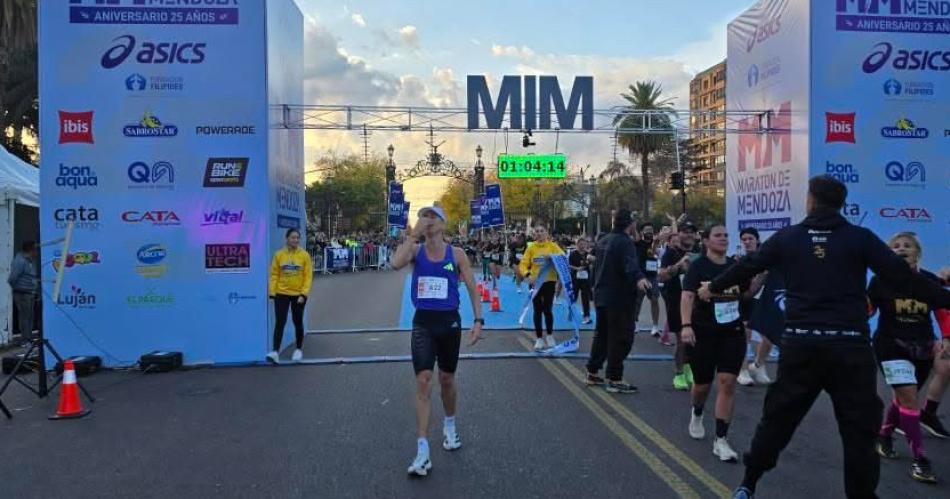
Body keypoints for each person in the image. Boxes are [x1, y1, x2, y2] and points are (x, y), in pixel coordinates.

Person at [699, 175, 950, 499]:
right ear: (841, 203)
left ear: (810, 200)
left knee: (778, 420)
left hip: (802, 348)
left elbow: (746, 266)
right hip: (849, 349)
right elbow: (909, 279)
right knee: (859, 432)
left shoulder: (788, 238)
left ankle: (749, 483)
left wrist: (712, 287)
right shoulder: (859, 238)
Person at [391, 205, 484, 477]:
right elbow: (396, 263)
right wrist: (412, 236)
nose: (427, 220)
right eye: (424, 216)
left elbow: (472, 288)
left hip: (449, 322)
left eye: (432, 216)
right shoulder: (416, 251)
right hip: (423, 322)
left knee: (446, 379)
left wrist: (478, 321)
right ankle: (422, 452)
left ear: (443, 224)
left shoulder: (456, 254)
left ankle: (450, 424)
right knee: (423, 379)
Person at [869, 232, 946, 484]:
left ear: (918, 253)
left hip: (922, 348)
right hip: (890, 346)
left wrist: (946, 337)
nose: (901, 249)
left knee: (904, 399)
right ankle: (920, 460)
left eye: (907, 245)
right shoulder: (881, 282)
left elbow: (942, 310)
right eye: (896, 246)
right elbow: (866, 310)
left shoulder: (929, 280)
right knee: (910, 399)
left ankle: (884, 434)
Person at [681, 224, 751, 463]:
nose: (723, 239)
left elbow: (746, 294)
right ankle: (697, 412)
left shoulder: (735, 266)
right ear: (707, 240)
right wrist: (686, 326)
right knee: (703, 385)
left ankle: (721, 440)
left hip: (732, 332)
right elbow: (688, 296)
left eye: (726, 235)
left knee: (727, 382)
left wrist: (762, 275)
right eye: (718, 235)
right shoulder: (698, 266)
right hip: (703, 332)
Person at [586, 209, 652, 393]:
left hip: (601, 295)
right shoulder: (625, 242)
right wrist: (640, 278)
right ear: (630, 224)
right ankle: (614, 377)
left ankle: (593, 371)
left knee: (602, 335)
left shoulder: (604, 240)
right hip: (619, 297)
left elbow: (594, 261)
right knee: (621, 338)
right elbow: (630, 264)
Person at [658, 222, 699, 390]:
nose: (689, 235)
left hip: (697, 300)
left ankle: (689, 368)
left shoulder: (700, 252)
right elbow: (661, 277)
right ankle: (679, 373)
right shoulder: (670, 253)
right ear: (679, 234)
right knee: (682, 338)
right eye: (685, 232)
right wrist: (679, 265)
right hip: (676, 299)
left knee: (696, 339)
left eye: (692, 232)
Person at [267, 229, 313, 363]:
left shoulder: (304, 255)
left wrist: (303, 294)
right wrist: (272, 293)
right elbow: (274, 275)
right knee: (279, 323)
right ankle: (275, 352)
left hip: (298, 295)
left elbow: (308, 276)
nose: (296, 240)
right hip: (281, 294)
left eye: (298, 238)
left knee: (297, 322)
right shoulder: (279, 255)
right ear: (286, 238)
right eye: (293, 237)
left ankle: (298, 350)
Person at [735, 227, 773, 387]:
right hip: (746, 300)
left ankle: (758, 365)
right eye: (744, 239)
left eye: (750, 238)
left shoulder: (767, 257)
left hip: (766, 299)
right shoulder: (741, 259)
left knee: (770, 335)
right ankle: (742, 370)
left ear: (757, 240)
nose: (747, 242)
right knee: (746, 334)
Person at [519, 221, 565, 350]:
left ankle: (549, 335)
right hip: (535, 282)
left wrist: (553, 257)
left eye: (541, 231)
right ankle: (539, 338)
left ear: (547, 233)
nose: (539, 233)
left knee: (548, 309)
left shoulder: (553, 246)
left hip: (549, 281)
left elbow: (563, 257)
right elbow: (523, 264)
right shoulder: (531, 247)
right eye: (537, 231)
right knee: (537, 309)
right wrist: (527, 275)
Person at [634, 223, 662, 336]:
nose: (649, 232)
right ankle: (634, 323)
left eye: (651, 230)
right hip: (640, 276)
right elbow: (633, 230)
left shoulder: (655, 243)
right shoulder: (637, 243)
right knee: (637, 301)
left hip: (652, 276)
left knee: (655, 299)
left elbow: (656, 246)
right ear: (642, 232)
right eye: (647, 230)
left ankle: (655, 326)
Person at [8, 241, 39, 345]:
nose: (37, 252)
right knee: (24, 317)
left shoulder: (30, 261)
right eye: (35, 249)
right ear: (31, 250)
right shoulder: (20, 261)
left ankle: (29, 337)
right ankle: (25, 340)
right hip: (22, 293)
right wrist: (19, 288)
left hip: (30, 292)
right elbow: (12, 278)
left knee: (30, 316)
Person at [569, 237, 594, 324]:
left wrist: (590, 266)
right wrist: (577, 268)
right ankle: (571, 312)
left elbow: (592, 264)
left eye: (584, 244)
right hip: (575, 279)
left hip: (585, 280)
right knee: (573, 297)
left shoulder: (588, 254)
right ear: (577, 244)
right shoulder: (573, 254)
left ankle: (586, 316)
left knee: (585, 298)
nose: (582, 246)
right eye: (580, 244)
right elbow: (569, 265)